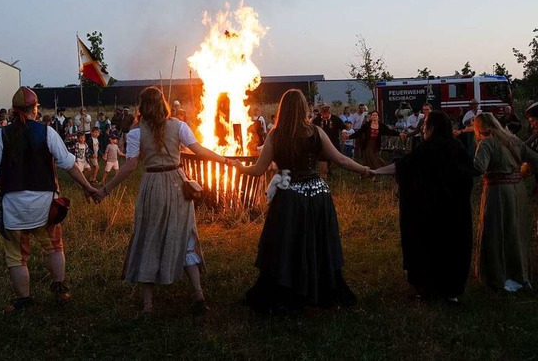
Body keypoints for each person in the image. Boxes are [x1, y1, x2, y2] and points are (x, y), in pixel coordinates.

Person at [93, 86, 230, 315]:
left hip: (153, 184)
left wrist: (105, 190)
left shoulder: (136, 132)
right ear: (163, 104)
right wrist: (224, 160)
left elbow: (129, 166)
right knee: (185, 234)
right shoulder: (179, 125)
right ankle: (198, 294)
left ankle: (148, 304)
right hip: (177, 183)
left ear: (142, 106)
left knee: (149, 236)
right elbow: (199, 150)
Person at [233, 89, 370, 313]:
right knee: (316, 243)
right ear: (304, 109)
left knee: (287, 243)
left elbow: (259, 170)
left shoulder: (275, 136)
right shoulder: (315, 132)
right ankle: (318, 291)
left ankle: (288, 290)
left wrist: (240, 168)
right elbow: (341, 159)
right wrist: (364, 170)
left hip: (289, 197)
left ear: (282, 109)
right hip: (317, 197)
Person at [0, 87, 97, 312]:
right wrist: (89, 187)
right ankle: (61, 291)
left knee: (16, 257)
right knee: (54, 247)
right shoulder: (47, 132)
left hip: (13, 206)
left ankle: (24, 300)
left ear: (14, 110)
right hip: (46, 205)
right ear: (35, 109)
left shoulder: (2, 134)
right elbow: (69, 165)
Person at [372, 111, 475, 304]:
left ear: (433, 127)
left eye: (425, 123)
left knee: (427, 248)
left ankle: (426, 289)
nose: (422, 127)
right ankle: (451, 291)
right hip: (455, 214)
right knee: (453, 248)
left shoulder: (426, 149)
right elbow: (470, 173)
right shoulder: (457, 147)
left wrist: (374, 172)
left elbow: (402, 166)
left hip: (428, 213)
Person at [472, 112, 538, 292]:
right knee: (516, 232)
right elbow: (535, 159)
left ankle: (498, 277)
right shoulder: (513, 140)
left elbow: (478, 168)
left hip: (497, 191)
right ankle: (520, 276)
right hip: (518, 191)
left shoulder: (487, 143)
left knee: (497, 232)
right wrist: (522, 173)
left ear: (479, 128)